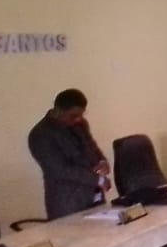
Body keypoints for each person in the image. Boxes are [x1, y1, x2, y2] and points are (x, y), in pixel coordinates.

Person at [28, 88, 111, 220]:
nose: (78, 119)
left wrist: (102, 161)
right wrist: (98, 180)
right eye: (73, 115)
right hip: (67, 203)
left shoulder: (81, 124)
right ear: (58, 110)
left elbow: (92, 148)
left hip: (95, 198)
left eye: (81, 115)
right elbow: (60, 170)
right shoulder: (40, 134)